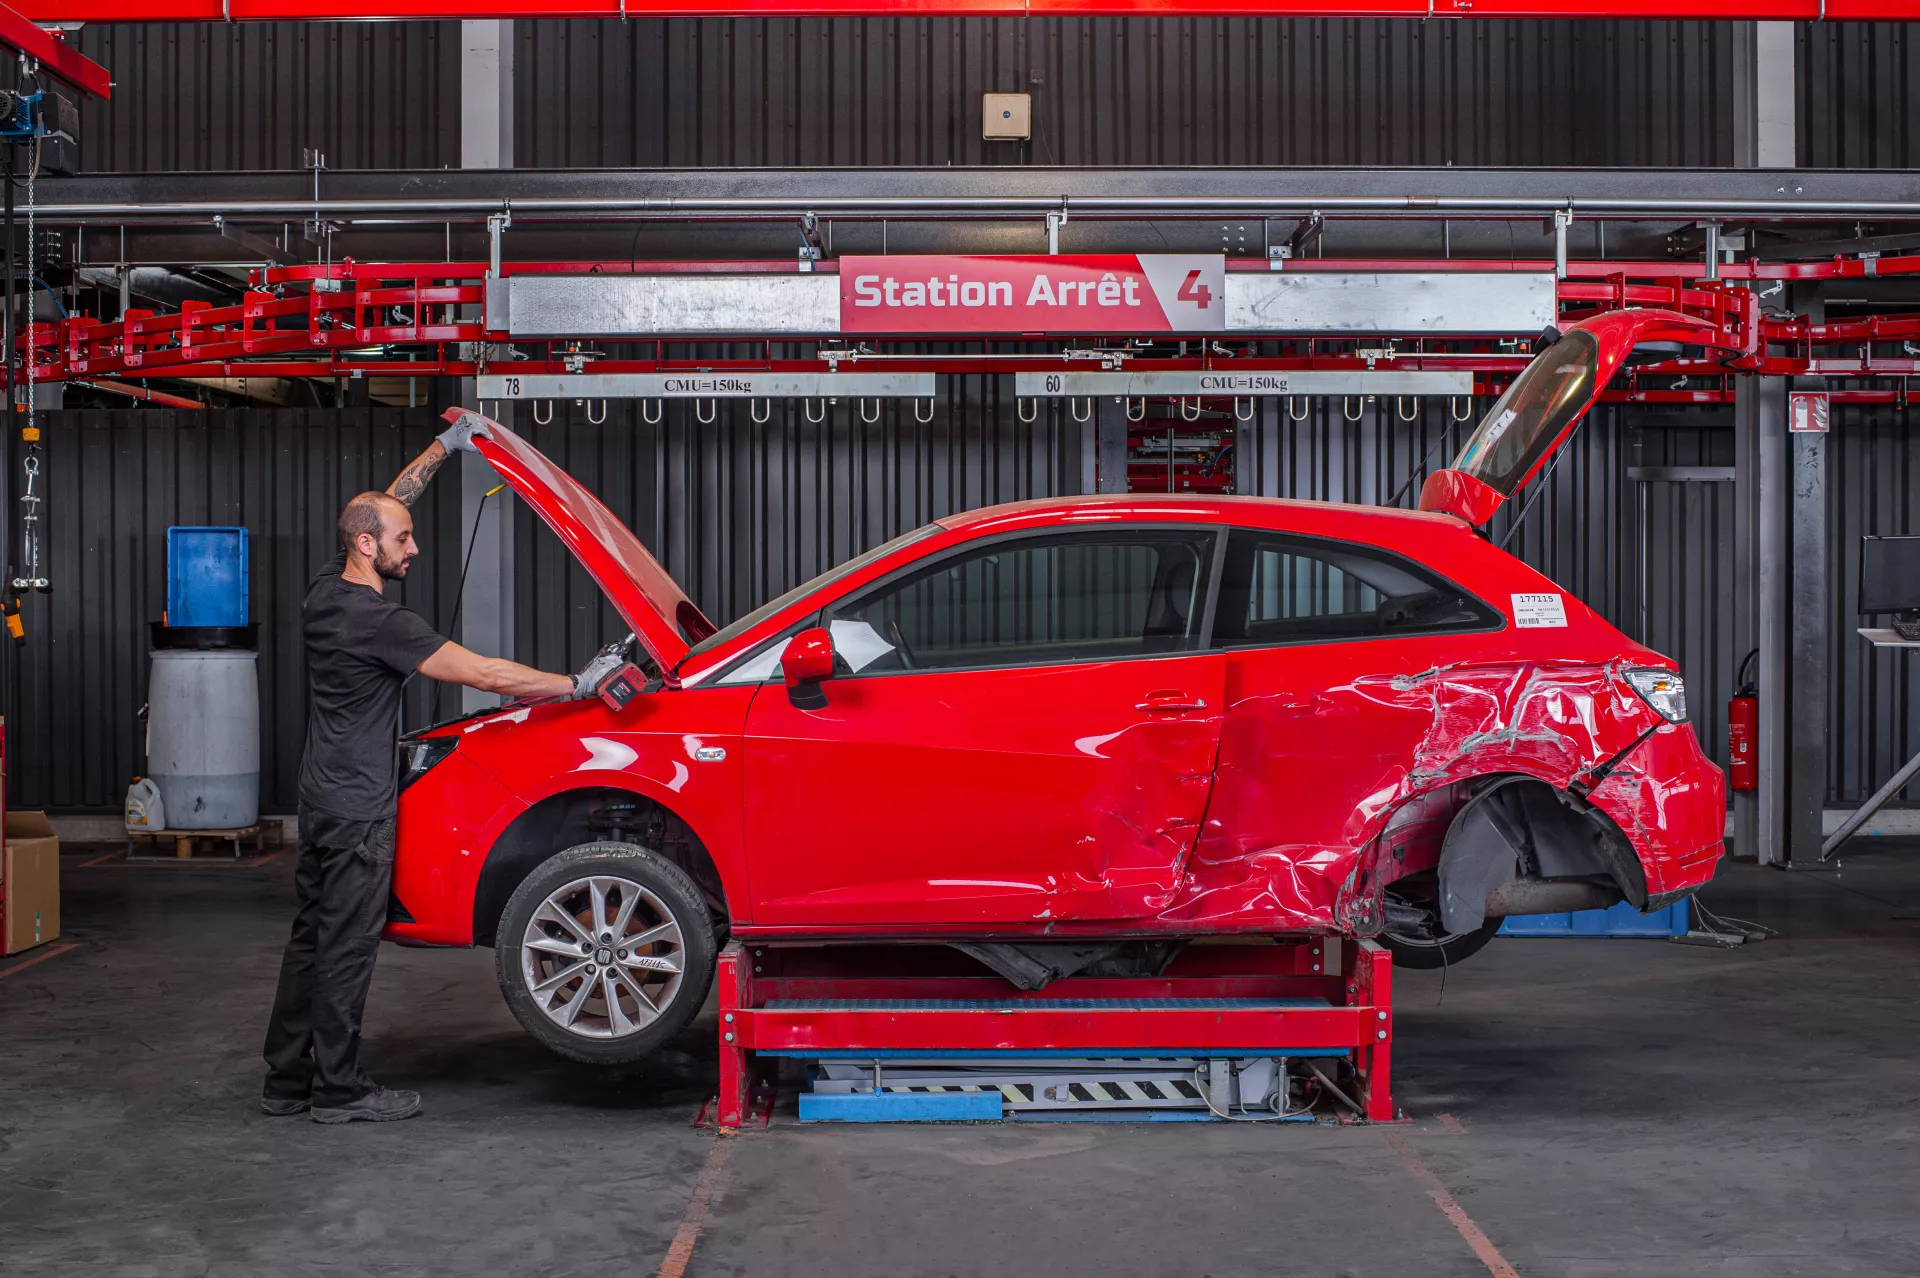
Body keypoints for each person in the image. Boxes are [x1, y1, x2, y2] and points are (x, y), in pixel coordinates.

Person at [261, 412, 624, 1124]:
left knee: (310, 938)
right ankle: (338, 1091)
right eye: (403, 541)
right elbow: (486, 672)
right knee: (346, 947)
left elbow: (383, 505)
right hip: (362, 807)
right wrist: (577, 683)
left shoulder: (322, 593)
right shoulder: (380, 624)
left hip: (321, 798)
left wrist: (441, 450)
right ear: (367, 547)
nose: (415, 548)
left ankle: (285, 1083)